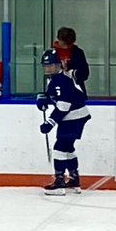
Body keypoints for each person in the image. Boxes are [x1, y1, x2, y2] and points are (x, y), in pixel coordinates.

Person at [37, 49, 91, 195]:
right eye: (45, 66)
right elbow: (55, 97)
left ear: (58, 65)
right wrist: (44, 98)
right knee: (68, 147)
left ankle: (59, 183)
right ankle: (74, 180)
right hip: (76, 117)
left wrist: (49, 123)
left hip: (73, 118)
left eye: (51, 65)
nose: (48, 68)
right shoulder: (55, 80)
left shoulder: (61, 81)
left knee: (60, 147)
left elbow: (63, 106)